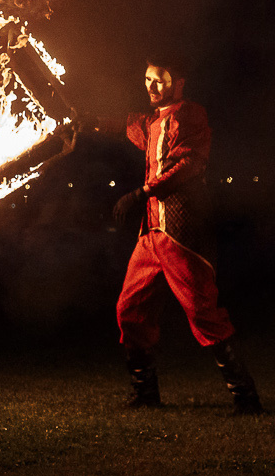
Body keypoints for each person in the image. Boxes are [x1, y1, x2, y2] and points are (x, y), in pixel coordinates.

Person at [110, 58, 262, 414]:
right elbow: (124, 125)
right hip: (150, 234)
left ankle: (246, 398)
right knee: (130, 311)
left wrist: (141, 193)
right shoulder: (151, 121)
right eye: (147, 79)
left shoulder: (189, 115)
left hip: (180, 232)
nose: (151, 86)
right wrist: (82, 122)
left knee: (203, 312)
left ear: (178, 82)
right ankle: (145, 395)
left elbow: (190, 164)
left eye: (159, 80)